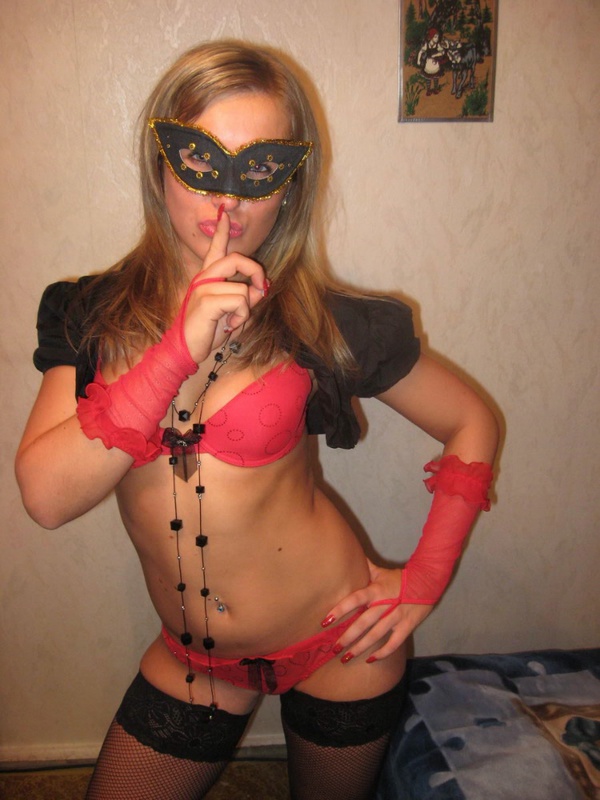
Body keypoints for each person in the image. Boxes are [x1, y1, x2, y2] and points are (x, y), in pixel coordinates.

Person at [15, 40, 498, 800]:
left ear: (289, 189)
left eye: (260, 170)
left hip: (342, 644)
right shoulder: (90, 313)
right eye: (201, 163)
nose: (228, 202)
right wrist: (177, 349)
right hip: (195, 661)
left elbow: (472, 420)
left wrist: (423, 580)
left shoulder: (323, 321)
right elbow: (45, 497)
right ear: (159, 164)